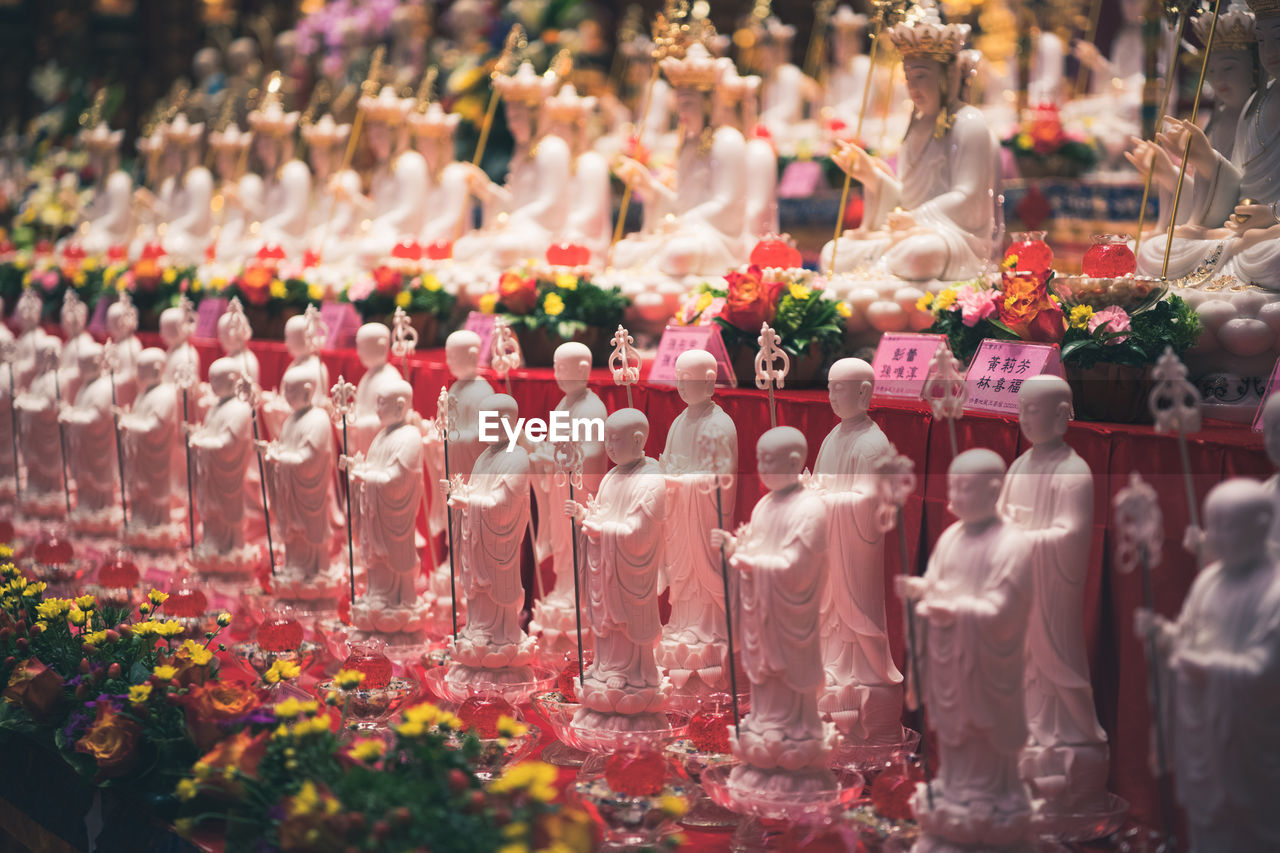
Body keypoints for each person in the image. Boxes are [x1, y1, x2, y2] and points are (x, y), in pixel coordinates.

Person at [899, 449, 1034, 850]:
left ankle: (989, 802)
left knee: (983, 741)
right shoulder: (951, 537)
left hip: (988, 671)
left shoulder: (1013, 544)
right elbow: (938, 586)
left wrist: (953, 609)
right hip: (950, 664)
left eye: (964, 488)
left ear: (994, 491)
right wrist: (921, 591)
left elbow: (1004, 610)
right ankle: (955, 791)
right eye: (951, 486)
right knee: (954, 740)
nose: (954, 496)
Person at [1137, 479, 1280, 852]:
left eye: (1228, 526)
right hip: (1207, 741)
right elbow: (1187, 636)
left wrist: (1206, 666)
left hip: (1251, 744)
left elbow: (1266, 671)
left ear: (1263, 524)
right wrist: (1163, 636)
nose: (1215, 536)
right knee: (1207, 830)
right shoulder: (1208, 581)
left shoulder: (1274, 592)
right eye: (1211, 524)